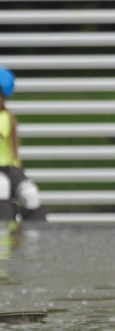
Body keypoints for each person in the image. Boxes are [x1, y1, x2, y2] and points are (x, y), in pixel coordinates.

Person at [0, 67, 46, 223]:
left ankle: (37, 232)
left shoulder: (5, 117)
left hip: (10, 168)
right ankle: (4, 231)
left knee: (29, 194)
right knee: (1, 186)